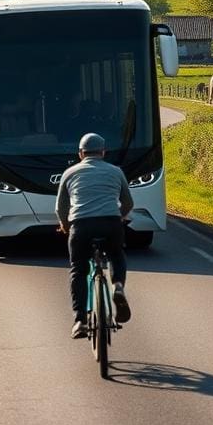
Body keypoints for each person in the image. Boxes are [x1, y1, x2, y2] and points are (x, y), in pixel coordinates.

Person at [55, 132, 133, 339]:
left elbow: (61, 208)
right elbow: (128, 203)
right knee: (116, 254)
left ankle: (80, 320)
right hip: (110, 223)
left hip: (81, 226)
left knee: (78, 270)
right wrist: (121, 217)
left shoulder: (69, 173)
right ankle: (117, 287)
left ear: (81, 153)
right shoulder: (116, 172)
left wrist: (65, 226)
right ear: (103, 152)